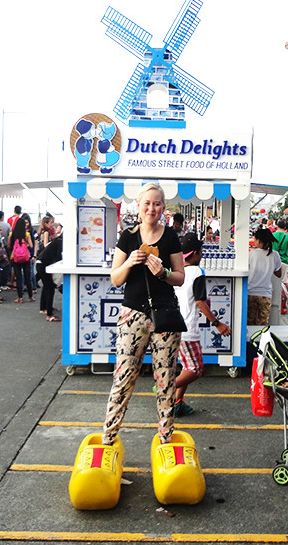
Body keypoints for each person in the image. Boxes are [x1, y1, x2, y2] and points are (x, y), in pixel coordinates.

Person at [101, 182, 185, 448]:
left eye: (157, 203)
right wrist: (129, 262)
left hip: (165, 316)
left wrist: (164, 274)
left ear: (163, 207)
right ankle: (108, 439)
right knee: (124, 377)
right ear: (138, 206)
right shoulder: (128, 236)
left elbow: (180, 278)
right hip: (132, 315)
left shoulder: (170, 236)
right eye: (147, 203)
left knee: (166, 380)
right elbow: (115, 279)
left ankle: (166, 440)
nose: (152, 208)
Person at [173, 232, 231, 416]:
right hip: (188, 329)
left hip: (174, 326)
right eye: (201, 251)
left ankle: (177, 403)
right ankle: (165, 387)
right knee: (196, 369)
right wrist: (217, 323)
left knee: (186, 367)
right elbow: (199, 302)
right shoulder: (197, 272)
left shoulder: (176, 271)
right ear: (196, 253)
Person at [247, 228, 282, 326]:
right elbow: (278, 274)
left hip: (250, 292)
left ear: (259, 240)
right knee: (262, 324)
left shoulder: (251, 253)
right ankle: (261, 341)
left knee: (249, 323)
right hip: (265, 295)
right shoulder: (275, 255)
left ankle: (250, 341)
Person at [8, 217, 34, 303]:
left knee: (18, 278)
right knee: (27, 277)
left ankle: (20, 298)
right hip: (25, 258)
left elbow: (9, 246)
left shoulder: (12, 234)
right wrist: (25, 244)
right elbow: (31, 246)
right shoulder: (26, 234)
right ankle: (30, 297)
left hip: (15, 258)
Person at [38, 233, 63, 321]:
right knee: (50, 288)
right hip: (45, 265)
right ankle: (49, 315)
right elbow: (59, 257)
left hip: (40, 263)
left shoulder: (56, 241)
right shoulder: (60, 243)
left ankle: (43, 308)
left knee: (46, 287)